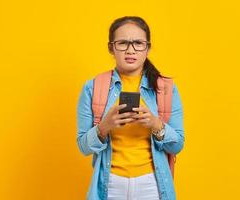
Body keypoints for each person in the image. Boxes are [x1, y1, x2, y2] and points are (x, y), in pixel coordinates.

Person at [77, 16, 185, 200]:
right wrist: (104, 127)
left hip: (152, 184)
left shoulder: (165, 89)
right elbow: (83, 147)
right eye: (122, 43)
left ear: (147, 48)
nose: (130, 50)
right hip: (109, 183)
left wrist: (155, 124)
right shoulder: (92, 88)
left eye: (138, 43)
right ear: (111, 47)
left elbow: (177, 145)